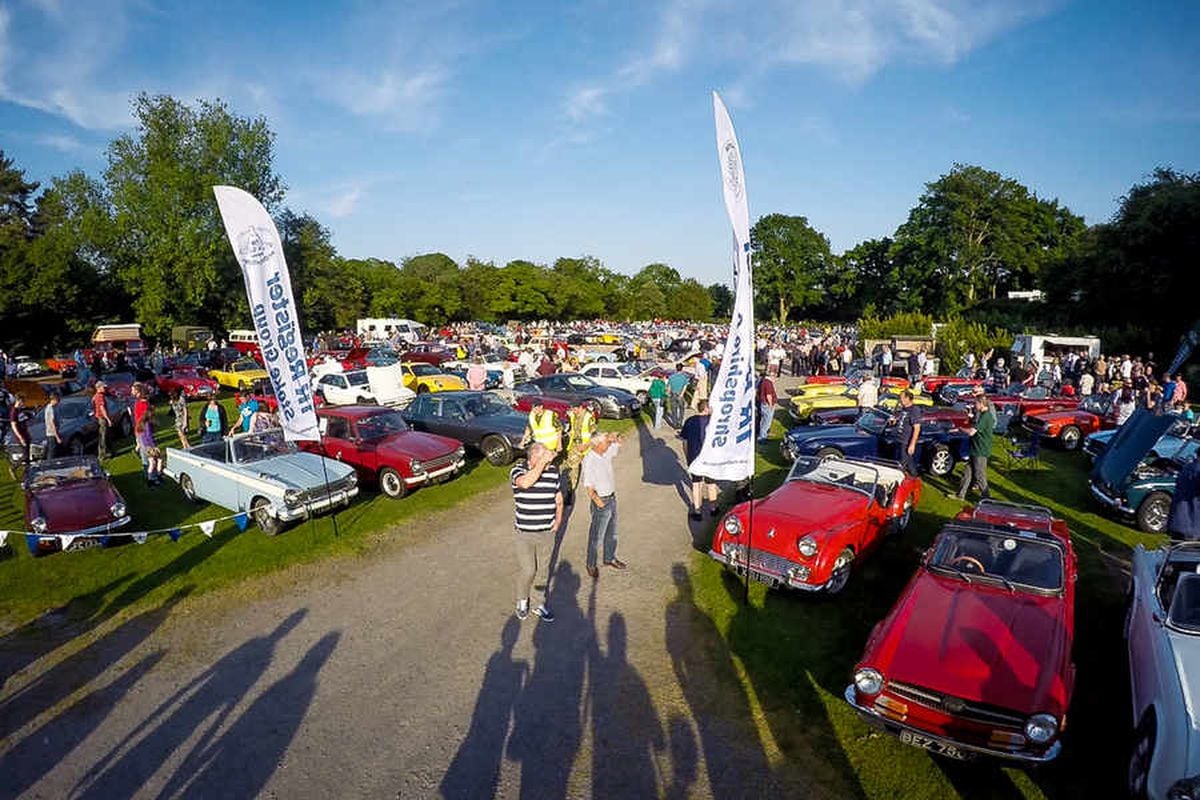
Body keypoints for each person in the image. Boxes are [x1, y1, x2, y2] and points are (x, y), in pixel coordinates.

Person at [510, 442, 561, 622]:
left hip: (547, 532)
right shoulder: (517, 470)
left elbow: (558, 498)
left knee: (543, 571)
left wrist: (558, 521)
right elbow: (524, 483)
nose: (548, 461)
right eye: (544, 458)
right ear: (534, 458)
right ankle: (522, 601)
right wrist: (542, 463)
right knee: (529, 570)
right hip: (524, 533)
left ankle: (539, 604)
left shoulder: (553, 471)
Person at [581, 431, 626, 578]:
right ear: (598, 444)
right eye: (606, 441)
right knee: (596, 536)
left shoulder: (605, 452)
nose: (609, 443)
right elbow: (588, 484)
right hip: (601, 501)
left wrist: (615, 437)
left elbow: (620, 441)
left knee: (612, 533)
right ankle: (591, 563)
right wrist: (596, 500)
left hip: (611, 498)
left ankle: (609, 558)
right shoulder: (589, 459)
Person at [954, 392, 996, 501]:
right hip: (975, 449)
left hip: (980, 450)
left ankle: (987, 498)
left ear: (982, 404)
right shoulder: (982, 415)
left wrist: (960, 428)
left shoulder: (986, 416)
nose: (974, 405)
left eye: (976, 403)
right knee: (967, 473)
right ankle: (960, 495)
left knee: (980, 475)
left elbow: (972, 432)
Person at [681, 400, 718, 520]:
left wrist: (687, 456)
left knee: (696, 484)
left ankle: (697, 511)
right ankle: (713, 508)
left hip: (694, 457)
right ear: (706, 409)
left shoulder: (689, 421)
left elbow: (685, 442)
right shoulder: (713, 422)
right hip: (710, 458)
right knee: (711, 483)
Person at [563, 400, 596, 504]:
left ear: (581, 407)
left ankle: (595, 490)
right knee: (572, 468)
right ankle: (570, 492)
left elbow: (593, 434)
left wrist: (586, 445)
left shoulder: (589, 417)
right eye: (572, 409)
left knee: (590, 469)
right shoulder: (573, 415)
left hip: (587, 446)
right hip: (575, 445)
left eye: (575, 409)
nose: (573, 411)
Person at [895, 390, 923, 476]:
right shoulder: (904, 409)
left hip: (906, 441)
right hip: (899, 439)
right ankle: (914, 477)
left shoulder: (914, 410)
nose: (900, 400)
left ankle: (905, 479)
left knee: (903, 464)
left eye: (901, 398)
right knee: (908, 461)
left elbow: (917, 428)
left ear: (907, 398)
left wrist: (912, 444)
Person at [136, 415, 163, 485]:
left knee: (153, 462)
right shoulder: (147, 424)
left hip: (146, 447)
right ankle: (156, 477)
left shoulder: (141, 425)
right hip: (150, 447)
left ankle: (151, 478)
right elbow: (149, 436)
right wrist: (155, 447)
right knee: (157, 461)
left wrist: (138, 445)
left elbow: (141, 437)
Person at [9, 395, 31, 478]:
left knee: (27, 455)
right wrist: (21, 438)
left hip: (26, 434)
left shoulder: (20, 410)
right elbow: (14, 426)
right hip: (21, 436)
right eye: (23, 401)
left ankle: (27, 473)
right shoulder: (13, 412)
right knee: (25, 455)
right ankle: (14, 467)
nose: (23, 403)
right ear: (18, 401)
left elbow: (24, 420)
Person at [92, 382, 113, 459]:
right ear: (99, 388)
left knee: (105, 435)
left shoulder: (95, 396)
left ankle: (107, 451)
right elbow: (102, 408)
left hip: (99, 417)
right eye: (103, 387)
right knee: (103, 436)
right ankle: (102, 454)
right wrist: (108, 419)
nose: (105, 389)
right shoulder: (100, 396)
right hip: (102, 418)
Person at [757, 374, 777, 441]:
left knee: (763, 420)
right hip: (767, 405)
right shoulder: (768, 383)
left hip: (764, 404)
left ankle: (763, 434)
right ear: (772, 377)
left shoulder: (764, 381)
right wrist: (771, 405)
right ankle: (762, 437)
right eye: (775, 377)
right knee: (766, 421)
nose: (775, 379)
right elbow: (768, 395)